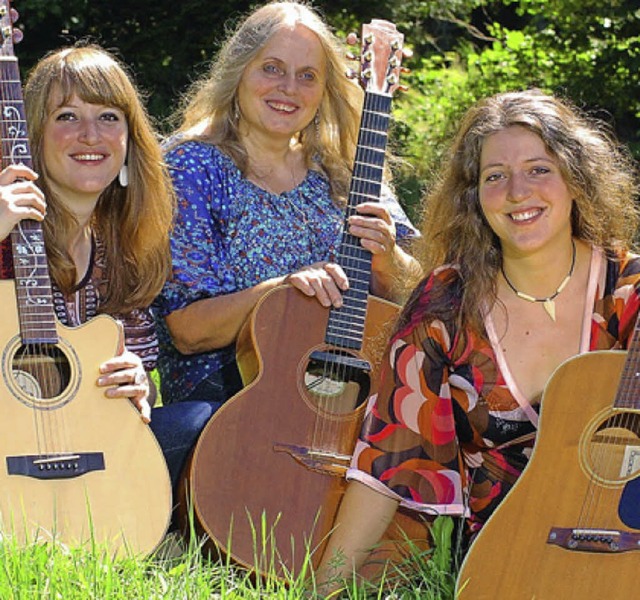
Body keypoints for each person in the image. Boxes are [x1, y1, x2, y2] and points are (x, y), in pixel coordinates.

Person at [314, 88, 640, 590]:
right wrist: (320, 589)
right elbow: (385, 459)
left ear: (576, 178)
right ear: (474, 197)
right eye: (495, 176)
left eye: (539, 169)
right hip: (499, 555)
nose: (517, 191)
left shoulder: (627, 292)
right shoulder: (444, 306)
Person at [153, 0, 420, 408]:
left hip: (341, 392)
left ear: (324, 88)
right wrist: (281, 292)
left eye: (307, 76)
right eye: (272, 68)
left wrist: (390, 259)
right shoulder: (191, 166)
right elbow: (188, 331)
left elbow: (419, 291)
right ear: (239, 72)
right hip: (226, 393)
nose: (289, 89)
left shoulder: (347, 168)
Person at [0, 44, 216, 498]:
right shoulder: (4, 225)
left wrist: (138, 384)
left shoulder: (123, 249)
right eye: (66, 117)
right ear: (31, 137)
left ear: (130, 140)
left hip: (79, 444)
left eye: (108, 117)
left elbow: (139, 402)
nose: (90, 136)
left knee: (203, 422)